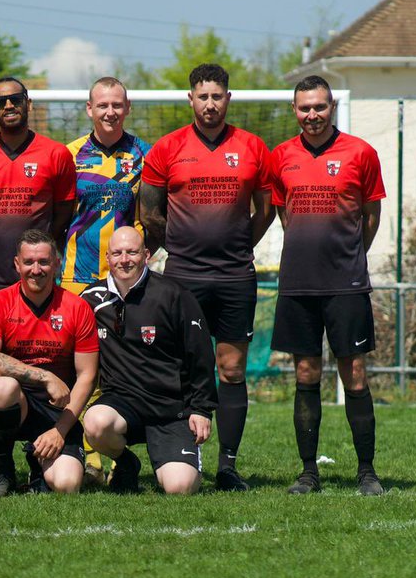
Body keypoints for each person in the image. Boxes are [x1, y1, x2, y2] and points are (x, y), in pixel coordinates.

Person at [139, 63, 275, 491]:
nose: (210, 103)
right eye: (203, 96)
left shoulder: (253, 147)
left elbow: (266, 210)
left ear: (228, 99)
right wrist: (179, 249)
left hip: (235, 276)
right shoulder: (167, 148)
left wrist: (237, 247)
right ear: (191, 99)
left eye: (218, 96)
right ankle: (185, 457)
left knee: (231, 369)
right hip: (183, 276)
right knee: (184, 369)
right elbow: (149, 211)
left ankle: (229, 466)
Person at [269, 75, 385, 496]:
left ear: (331, 106)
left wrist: (349, 255)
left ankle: (367, 471)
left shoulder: (361, 153)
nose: (312, 115)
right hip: (299, 283)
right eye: (304, 108)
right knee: (305, 372)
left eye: (319, 106)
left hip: (346, 283)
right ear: (294, 110)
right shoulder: (281, 155)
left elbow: (370, 217)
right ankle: (308, 473)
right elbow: (284, 215)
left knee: (353, 373)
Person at [80, 227, 217, 496]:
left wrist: (201, 409)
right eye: (117, 253)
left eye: (131, 252)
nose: (124, 259)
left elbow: (200, 354)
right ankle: (126, 462)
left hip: (171, 408)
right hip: (122, 404)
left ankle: (173, 458)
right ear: (107, 257)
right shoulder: (90, 299)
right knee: (95, 422)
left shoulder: (173, 294)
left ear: (146, 255)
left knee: (180, 488)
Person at [0, 230, 99, 496]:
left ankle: (37, 462)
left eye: (43, 262)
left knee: (67, 484)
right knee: (1, 387)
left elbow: (87, 376)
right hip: (17, 403)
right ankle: (3, 471)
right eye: (29, 262)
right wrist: (45, 376)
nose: (36, 269)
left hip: (58, 409)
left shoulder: (77, 307)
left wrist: (60, 430)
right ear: (17, 264)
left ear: (57, 263)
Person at [0, 76, 75, 305]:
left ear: (28, 104)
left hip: (38, 278)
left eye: (15, 99)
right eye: (0, 102)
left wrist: (40, 247)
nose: (8, 106)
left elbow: (64, 211)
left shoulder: (56, 154)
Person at [61, 76, 153, 294]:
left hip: (127, 275)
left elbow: (154, 218)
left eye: (117, 105)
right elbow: (57, 220)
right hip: (78, 275)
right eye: (103, 105)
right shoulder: (69, 155)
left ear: (128, 108)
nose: (110, 113)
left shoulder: (146, 155)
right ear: (90, 108)